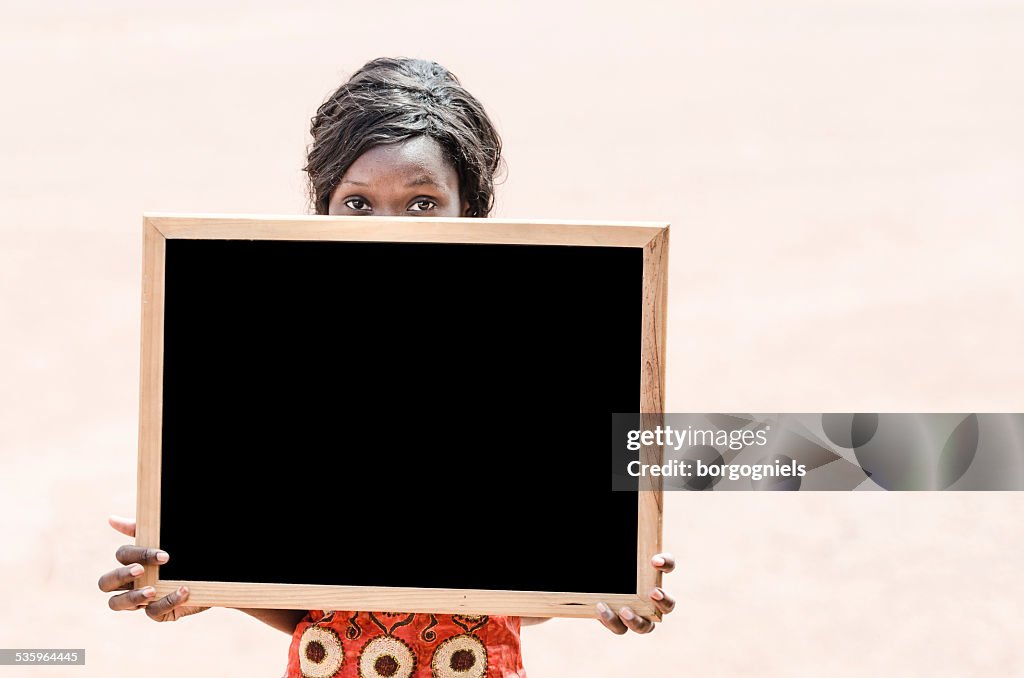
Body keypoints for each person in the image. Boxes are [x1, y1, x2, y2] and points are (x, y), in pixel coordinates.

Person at [97, 57, 677, 677]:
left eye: (423, 203)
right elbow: (311, 598)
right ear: (324, 208)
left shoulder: (536, 355)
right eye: (358, 203)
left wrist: (610, 581)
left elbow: (512, 591)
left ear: (471, 209)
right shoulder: (272, 360)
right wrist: (193, 574)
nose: (390, 228)